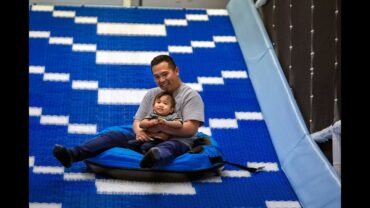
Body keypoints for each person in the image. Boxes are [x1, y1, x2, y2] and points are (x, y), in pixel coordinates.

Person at [52, 54, 205, 169]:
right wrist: (139, 132)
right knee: (113, 136)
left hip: (177, 140)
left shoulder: (190, 96)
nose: (161, 80)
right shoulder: (152, 94)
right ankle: (72, 155)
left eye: (165, 74)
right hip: (148, 135)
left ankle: (153, 159)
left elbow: (191, 129)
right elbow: (138, 121)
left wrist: (162, 127)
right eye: (157, 77)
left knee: (168, 148)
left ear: (176, 71)